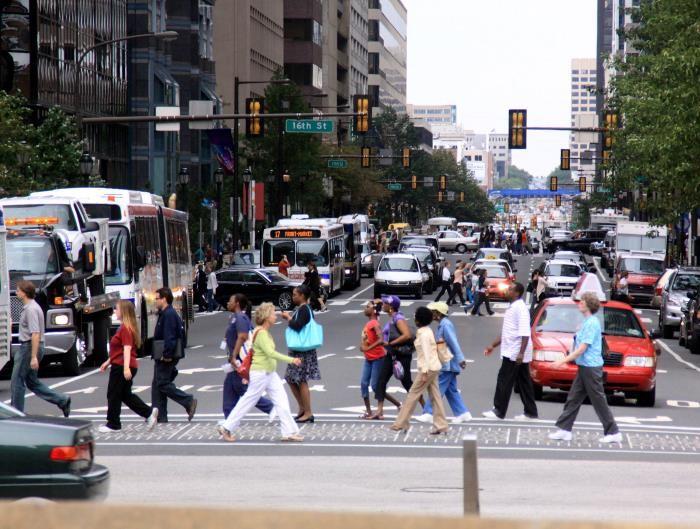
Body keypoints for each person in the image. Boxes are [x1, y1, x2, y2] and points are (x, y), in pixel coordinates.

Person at [217, 303, 304, 442]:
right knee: (248, 401)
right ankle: (227, 427)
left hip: (269, 372)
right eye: (272, 314)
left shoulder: (262, 331)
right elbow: (270, 353)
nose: (275, 316)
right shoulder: (262, 333)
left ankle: (289, 431)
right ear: (266, 317)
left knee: (281, 400)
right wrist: (292, 360)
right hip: (261, 372)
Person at [548, 292, 622, 444]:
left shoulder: (592, 323)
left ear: (588, 304)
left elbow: (582, 348)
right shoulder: (587, 322)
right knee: (573, 398)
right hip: (584, 367)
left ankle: (613, 431)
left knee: (598, 400)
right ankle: (564, 430)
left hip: (591, 367)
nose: (579, 303)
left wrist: (563, 361)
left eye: (582, 301)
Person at [10, 280, 71, 416]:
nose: (16, 292)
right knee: (32, 382)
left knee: (17, 381)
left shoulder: (30, 309)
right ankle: (62, 400)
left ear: (24, 293)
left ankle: (15, 414)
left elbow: (35, 333)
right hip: (33, 347)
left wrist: (33, 357)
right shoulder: (34, 307)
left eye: (18, 290)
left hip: (28, 347)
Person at [98, 300, 159, 432]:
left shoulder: (125, 328)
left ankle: (113, 424)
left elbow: (126, 349)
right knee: (125, 395)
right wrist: (108, 362)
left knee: (113, 394)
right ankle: (149, 413)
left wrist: (125, 368)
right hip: (123, 364)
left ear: (124, 312)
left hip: (121, 366)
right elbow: (119, 350)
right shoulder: (126, 327)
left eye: (117, 309)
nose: (115, 311)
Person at [482, 283, 539, 421]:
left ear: (517, 293)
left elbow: (525, 333)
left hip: (515, 352)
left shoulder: (520, 309)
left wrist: (520, 353)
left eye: (510, 289)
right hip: (513, 350)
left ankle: (499, 411)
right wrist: (492, 345)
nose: (507, 291)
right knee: (524, 383)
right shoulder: (513, 307)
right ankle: (531, 412)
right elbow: (507, 332)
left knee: (504, 380)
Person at [391, 306, 448, 434]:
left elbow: (426, 353)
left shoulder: (422, 334)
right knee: (435, 396)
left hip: (427, 369)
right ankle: (441, 425)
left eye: (416, 316)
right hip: (434, 367)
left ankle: (401, 423)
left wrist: (424, 371)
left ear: (418, 320)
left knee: (412, 394)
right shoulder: (428, 331)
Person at [416, 302, 472, 424]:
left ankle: (429, 413)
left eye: (433, 312)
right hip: (448, 363)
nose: (430, 314)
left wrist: (461, 359)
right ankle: (463, 413)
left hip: (448, 363)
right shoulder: (443, 325)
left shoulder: (445, 325)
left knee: (437, 388)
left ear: (438, 313)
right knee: (451, 390)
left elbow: (453, 343)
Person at [222, 294, 274, 419]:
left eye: (230, 301)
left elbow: (243, 336)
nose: (228, 303)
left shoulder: (240, 318)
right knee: (229, 390)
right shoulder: (234, 317)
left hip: (239, 360)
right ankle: (228, 420)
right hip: (234, 361)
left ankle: (272, 407)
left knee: (243, 390)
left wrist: (234, 355)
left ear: (237, 304)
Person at [370, 295, 421, 420]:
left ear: (391, 307)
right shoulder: (393, 316)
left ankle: (426, 408)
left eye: (385, 303)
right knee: (380, 381)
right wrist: (377, 301)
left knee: (407, 383)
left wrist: (390, 343)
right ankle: (379, 411)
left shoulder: (398, 318)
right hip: (391, 354)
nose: (383, 305)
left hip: (401, 355)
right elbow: (382, 301)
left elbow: (407, 335)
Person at [151, 287, 197, 423]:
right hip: (163, 354)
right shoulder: (166, 313)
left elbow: (170, 336)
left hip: (166, 355)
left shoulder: (169, 314)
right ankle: (160, 415)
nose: (156, 301)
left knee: (162, 383)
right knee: (158, 384)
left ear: (164, 299)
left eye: (157, 298)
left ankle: (188, 400)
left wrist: (167, 354)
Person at [281, 285, 322, 423]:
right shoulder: (302, 309)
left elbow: (298, 326)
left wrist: (288, 318)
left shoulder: (304, 309)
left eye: (295, 295)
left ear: (302, 296)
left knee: (302, 380)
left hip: (302, 351)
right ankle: (302, 408)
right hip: (299, 350)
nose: (293, 297)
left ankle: (308, 411)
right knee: (290, 378)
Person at [359, 299, 387, 418]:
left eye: (368, 306)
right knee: (363, 384)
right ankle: (369, 411)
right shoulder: (369, 323)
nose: (365, 308)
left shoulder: (374, 323)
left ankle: (393, 405)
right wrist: (363, 346)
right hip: (368, 358)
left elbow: (381, 340)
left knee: (375, 386)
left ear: (374, 310)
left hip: (378, 358)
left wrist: (368, 348)